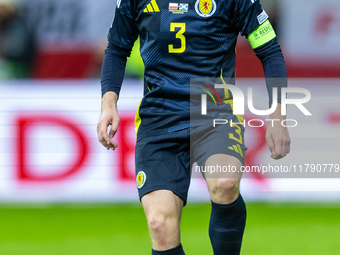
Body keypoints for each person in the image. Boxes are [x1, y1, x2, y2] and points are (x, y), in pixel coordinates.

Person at [97, 0, 290, 254]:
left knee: (225, 182)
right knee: (159, 224)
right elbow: (117, 49)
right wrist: (108, 104)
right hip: (159, 117)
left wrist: (278, 116)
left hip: (215, 112)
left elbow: (270, 51)